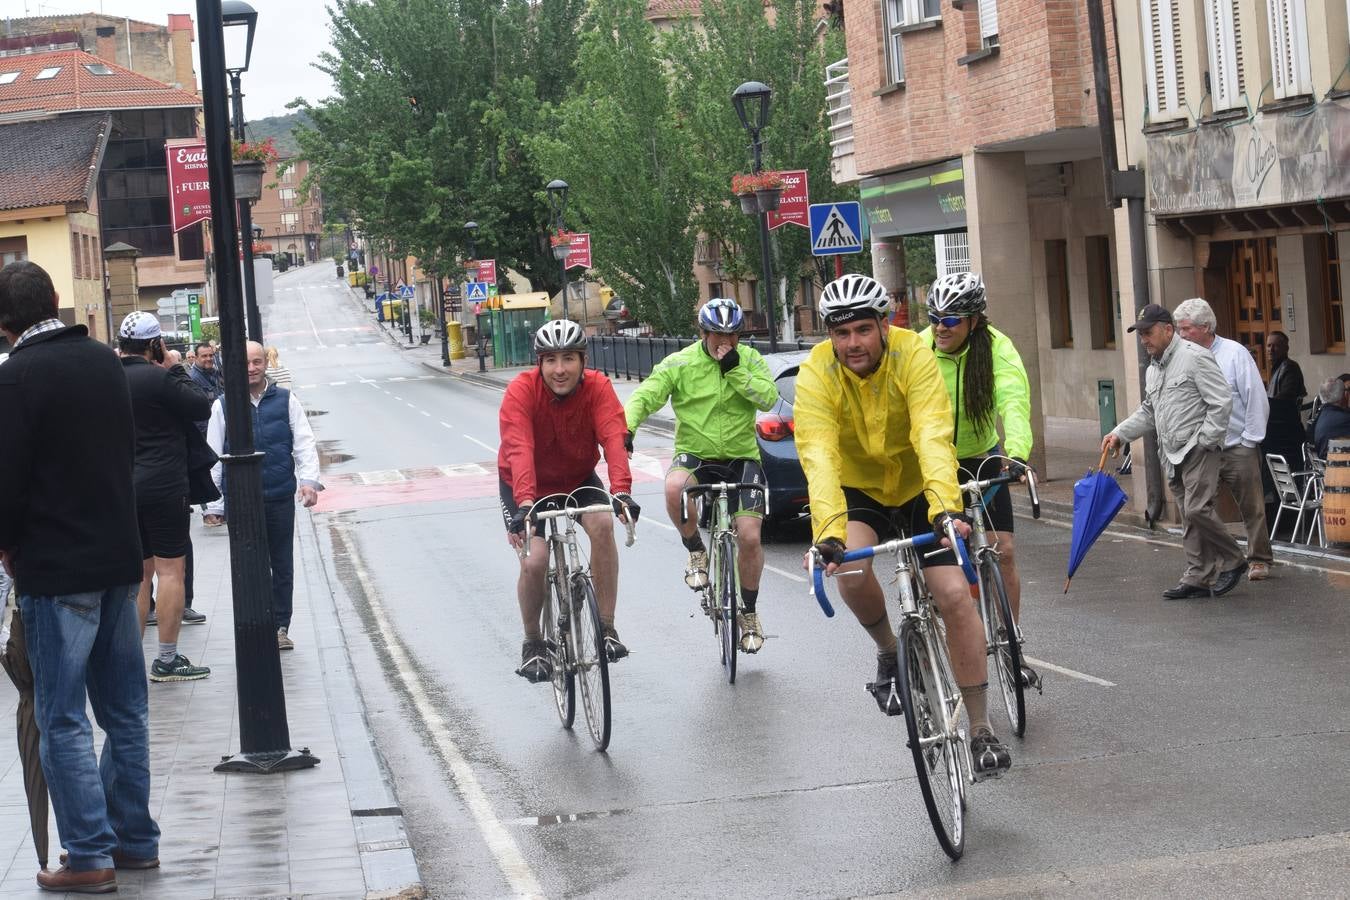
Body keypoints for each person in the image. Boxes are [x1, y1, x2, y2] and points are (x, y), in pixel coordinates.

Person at [795, 273, 1012, 779]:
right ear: (830, 335)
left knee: (956, 595)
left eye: (863, 331)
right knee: (850, 571)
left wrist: (945, 509)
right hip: (858, 489)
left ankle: (980, 728)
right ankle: (890, 652)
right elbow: (819, 453)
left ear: (884, 327)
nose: (853, 344)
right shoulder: (816, 372)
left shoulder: (914, 354)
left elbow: (933, 432)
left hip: (920, 487)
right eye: (841, 333)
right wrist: (827, 532)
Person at [0, 261, 159, 893]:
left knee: (62, 716)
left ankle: (89, 855)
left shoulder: (15, 379)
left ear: (4, 321)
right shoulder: (102, 361)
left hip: (55, 567)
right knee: (125, 711)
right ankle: (135, 841)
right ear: (58, 301)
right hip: (119, 557)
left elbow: (8, 481)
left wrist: (8, 547)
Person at [624, 298, 778, 652]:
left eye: (732, 336)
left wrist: (735, 369)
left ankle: (750, 614)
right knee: (675, 487)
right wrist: (626, 428)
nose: (724, 342)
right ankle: (696, 550)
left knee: (751, 537)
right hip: (695, 452)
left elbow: (769, 399)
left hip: (741, 456)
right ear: (703, 333)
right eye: (716, 335)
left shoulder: (750, 360)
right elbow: (646, 395)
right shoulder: (680, 363)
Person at [498, 319, 639, 681]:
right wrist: (525, 503)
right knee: (534, 560)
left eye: (568, 359)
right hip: (525, 484)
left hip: (577, 476)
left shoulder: (598, 388)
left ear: (583, 360)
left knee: (603, 524)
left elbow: (613, 436)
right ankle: (533, 644)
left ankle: (606, 628)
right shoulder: (521, 392)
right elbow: (520, 449)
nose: (560, 369)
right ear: (539, 364)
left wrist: (621, 491)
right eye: (550, 360)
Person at [918, 272, 1039, 687]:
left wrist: (1017, 455)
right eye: (934, 317)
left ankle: (1011, 643)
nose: (940, 327)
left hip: (981, 457)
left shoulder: (996, 348)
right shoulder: (918, 349)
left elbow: (1014, 401)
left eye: (950, 319)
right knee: (942, 559)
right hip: (931, 461)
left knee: (1003, 549)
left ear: (973, 320)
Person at [1104, 304, 1247, 599]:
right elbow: (1148, 412)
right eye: (1140, 334)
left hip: (1199, 448)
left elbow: (1221, 401)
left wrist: (1208, 440)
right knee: (1188, 515)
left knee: (1197, 509)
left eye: (1148, 332)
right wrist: (1119, 433)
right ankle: (1198, 575)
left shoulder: (1195, 357)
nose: (1144, 339)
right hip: (1171, 451)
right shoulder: (1155, 369)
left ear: (1168, 329)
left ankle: (1234, 559)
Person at [205, 342, 322, 650]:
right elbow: (214, 455)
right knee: (248, 564)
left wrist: (308, 481)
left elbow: (304, 442)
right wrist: (214, 504)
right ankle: (254, 624)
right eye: (245, 363)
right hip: (241, 501)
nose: (252, 368)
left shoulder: (286, 400)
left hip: (279, 496)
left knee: (282, 565)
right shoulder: (223, 405)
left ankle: (280, 627)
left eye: (257, 362)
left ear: (266, 364)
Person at [118, 311, 213, 682]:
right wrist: (174, 368)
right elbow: (200, 405)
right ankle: (168, 659)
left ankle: (128, 663)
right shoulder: (162, 379)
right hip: (165, 485)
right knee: (171, 570)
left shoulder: (109, 380)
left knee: (140, 576)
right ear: (155, 344)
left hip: (126, 487)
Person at [1173, 298, 1273, 581]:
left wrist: (1250, 440)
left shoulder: (1234, 353)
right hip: (1203, 449)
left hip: (1237, 443)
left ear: (1206, 327)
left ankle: (1259, 559)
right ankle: (1213, 561)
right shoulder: (1183, 356)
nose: (1181, 335)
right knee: (1197, 509)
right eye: (1179, 329)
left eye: (1186, 329)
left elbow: (1255, 397)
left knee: (1252, 507)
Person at [1263, 330, 1307, 472]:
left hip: (1287, 435)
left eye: (1275, 346)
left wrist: (1262, 403)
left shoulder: (1290, 367)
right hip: (1277, 432)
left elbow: (1284, 399)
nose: (1271, 349)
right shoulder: (1276, 368)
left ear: (1286, 349)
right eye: (1269, 345)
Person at [1313, 377, 1350, 458]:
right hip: (1342, 468)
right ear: (1343, 395)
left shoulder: (1319, 417)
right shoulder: (1345, 420)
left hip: (1326, 467)